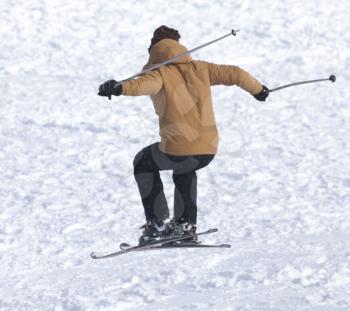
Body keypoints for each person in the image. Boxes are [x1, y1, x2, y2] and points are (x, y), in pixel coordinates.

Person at [98, 25, 269, 244]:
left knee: (143, 161)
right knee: (184, 169)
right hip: (208, 148)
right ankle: (185, 225)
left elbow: (141, 85)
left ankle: (157, 224)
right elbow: (235, 73)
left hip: (178, 147)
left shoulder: (159, 73)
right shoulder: (202, 68)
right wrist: (258, 90)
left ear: (152, 49)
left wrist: (118, 88)